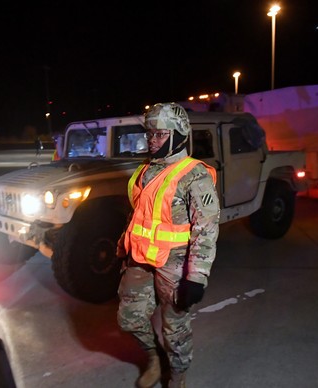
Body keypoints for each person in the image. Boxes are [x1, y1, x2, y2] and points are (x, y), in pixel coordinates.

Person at [116, 103, 220, 388]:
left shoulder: (194, 175)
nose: (152, 140)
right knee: (130, 318)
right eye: (150, 134)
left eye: (160, 134)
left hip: (175, 264)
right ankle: (154, 359)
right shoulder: (144, 171)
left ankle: (177, 377)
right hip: (140, 258)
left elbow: (206, 229)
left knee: (175, 330)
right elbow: (138, 215)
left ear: (178, 134)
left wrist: (196, 277)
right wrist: (124, 247)